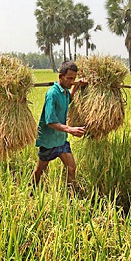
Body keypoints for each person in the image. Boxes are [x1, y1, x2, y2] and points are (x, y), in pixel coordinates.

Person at [32, 60, 87, 192]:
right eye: (69, 78)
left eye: (74, 78)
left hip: (61, 140)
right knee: (40, 170)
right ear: (60, 76)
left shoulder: (65, 92)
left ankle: (71, 195)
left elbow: (68, 100)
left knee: (71, 167)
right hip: (49, 141)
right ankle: (31, 191)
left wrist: (77, 86)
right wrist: (70, 129)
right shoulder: (53, 94)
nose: (72, 81)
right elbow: (49, 121)